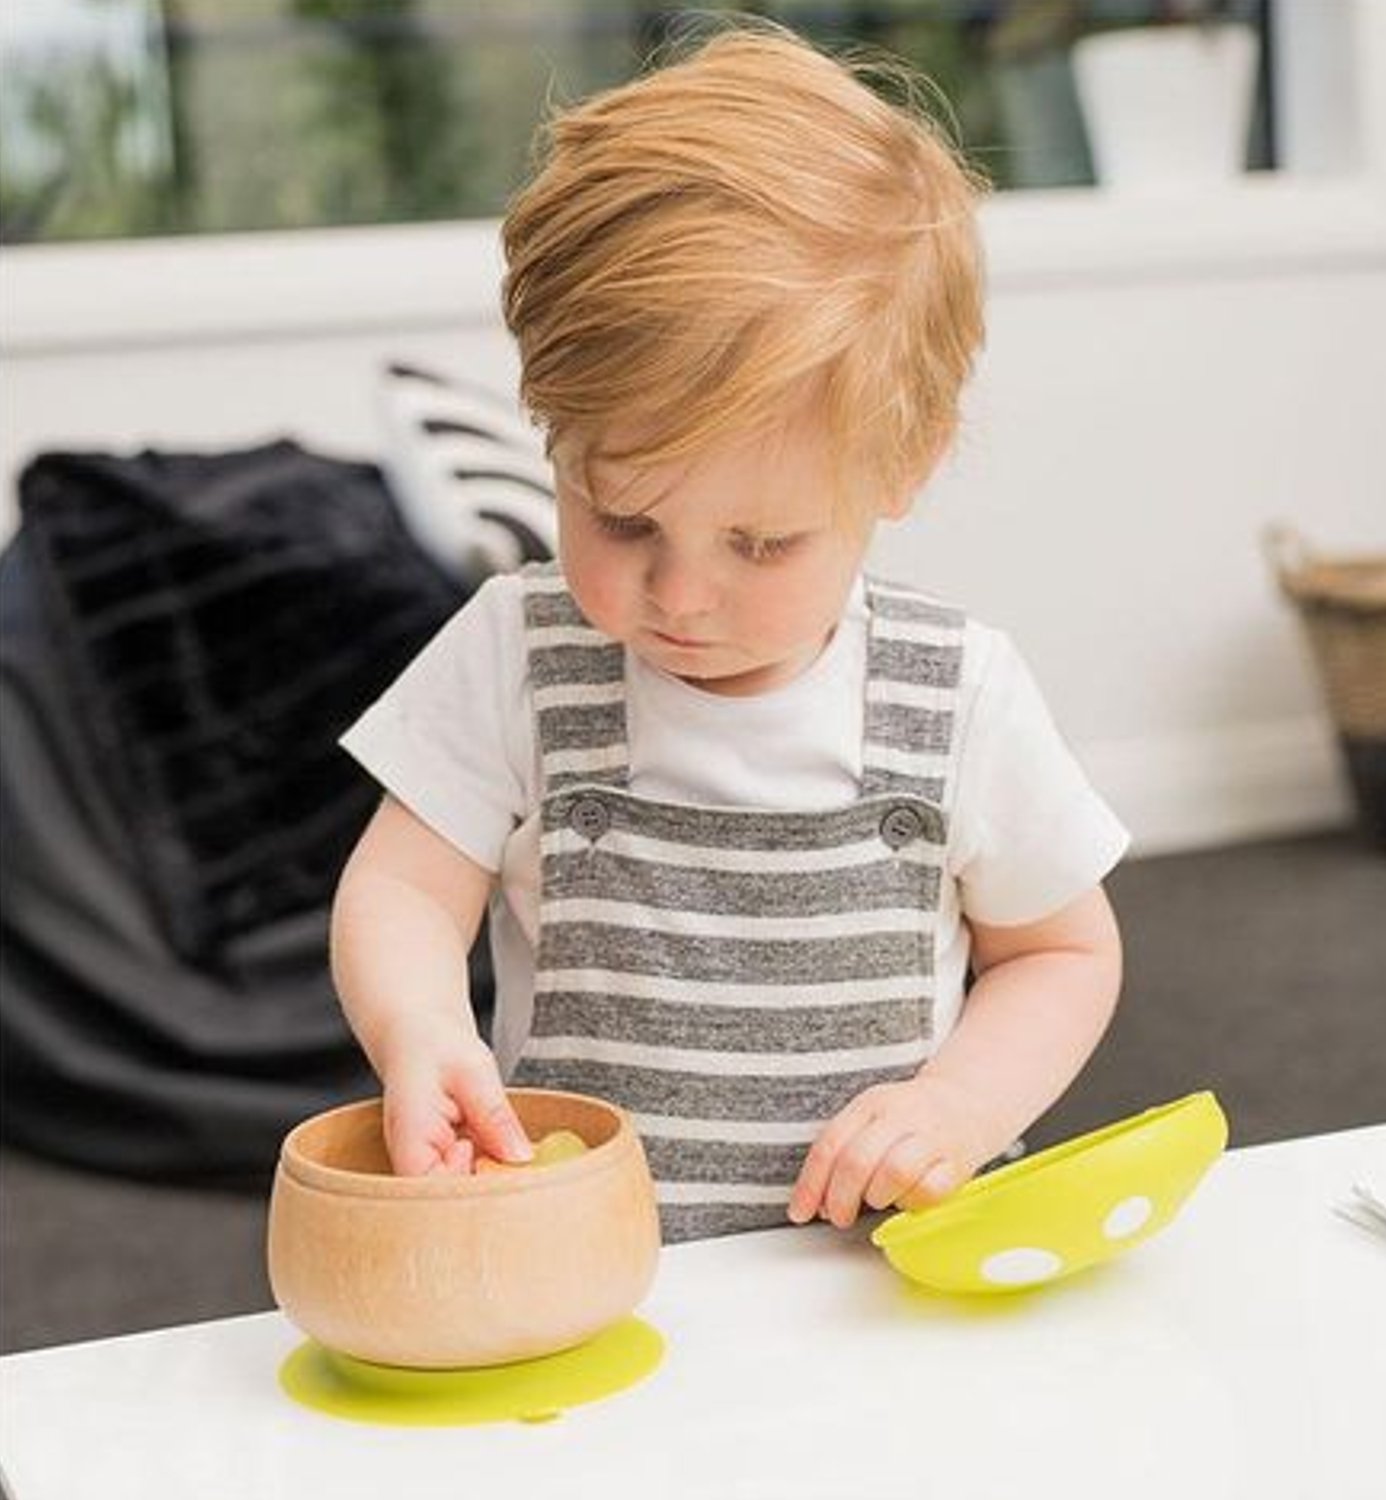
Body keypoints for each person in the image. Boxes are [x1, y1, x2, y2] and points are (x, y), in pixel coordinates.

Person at [331, 21, 1128, 1244]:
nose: (680, 596)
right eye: (624, 517)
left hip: (876, 1268)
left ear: (900, 466)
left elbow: (1059, 956)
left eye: (759, 545)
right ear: (550, 430)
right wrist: (422, 1028)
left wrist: (959, 1106)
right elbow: (400, 892)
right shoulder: (517, 653)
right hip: (585, 1257)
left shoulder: (957, 692)